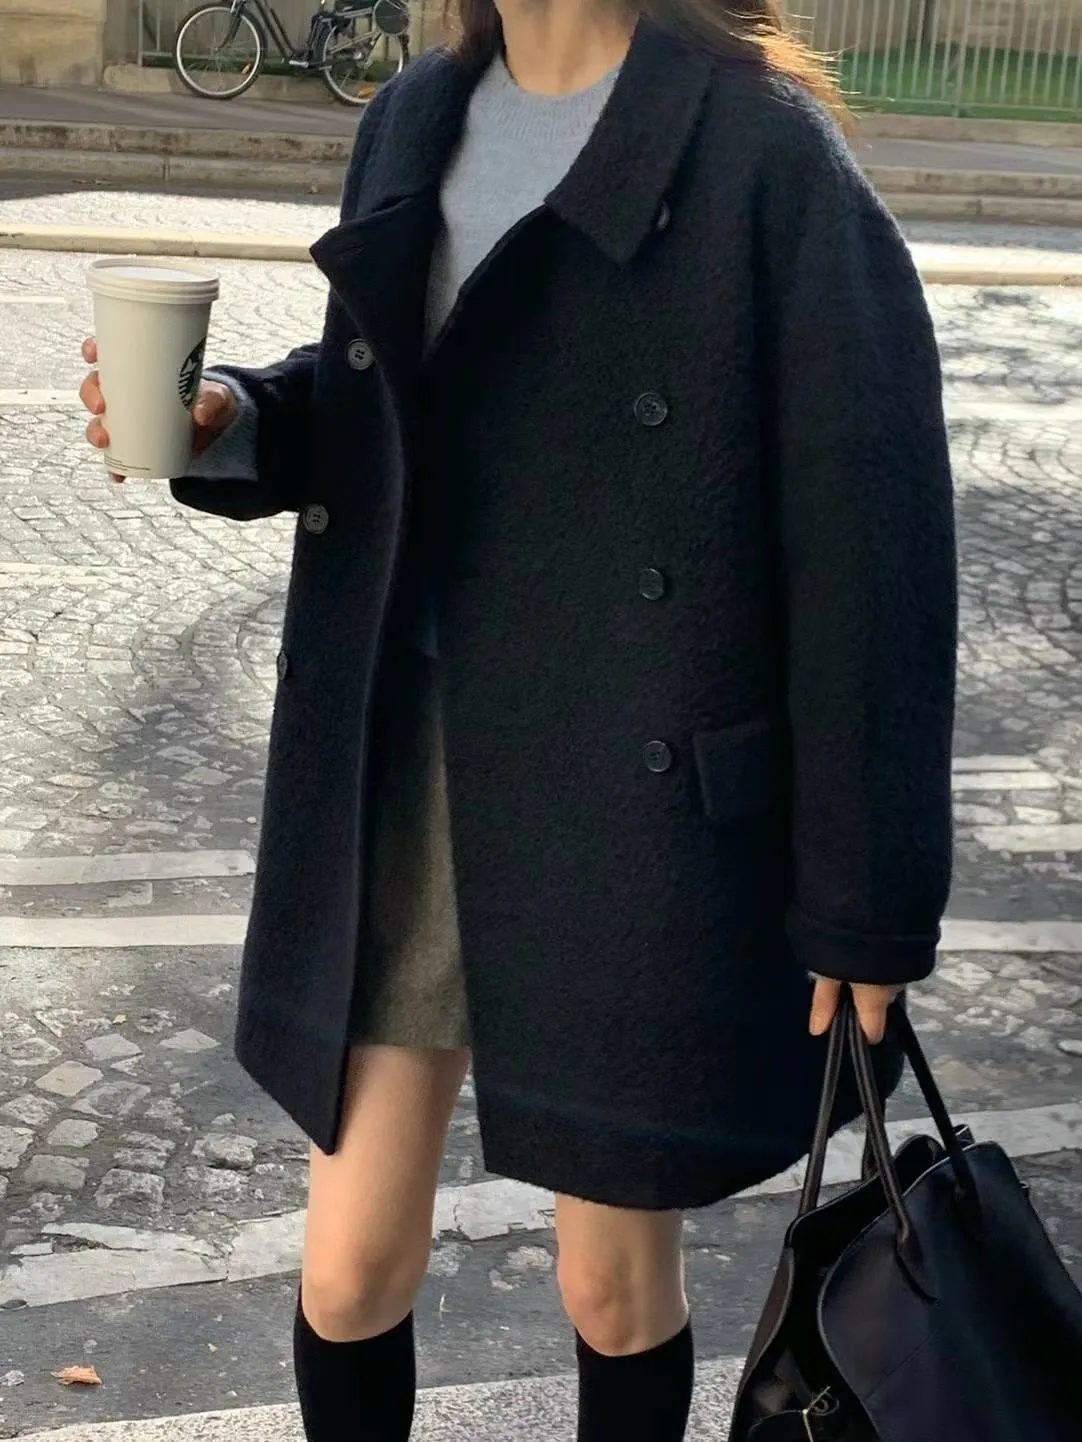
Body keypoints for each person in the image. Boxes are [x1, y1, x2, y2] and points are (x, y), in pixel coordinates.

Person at [80, 0, 957, 1433]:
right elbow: (388, 410)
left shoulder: (757, 146)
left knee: (611, 1284)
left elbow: (874, 541)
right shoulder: (413, 117)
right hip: (411, 768)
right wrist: (242, 417)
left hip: (626, 793)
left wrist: (870, 899)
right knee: (347, 1270)